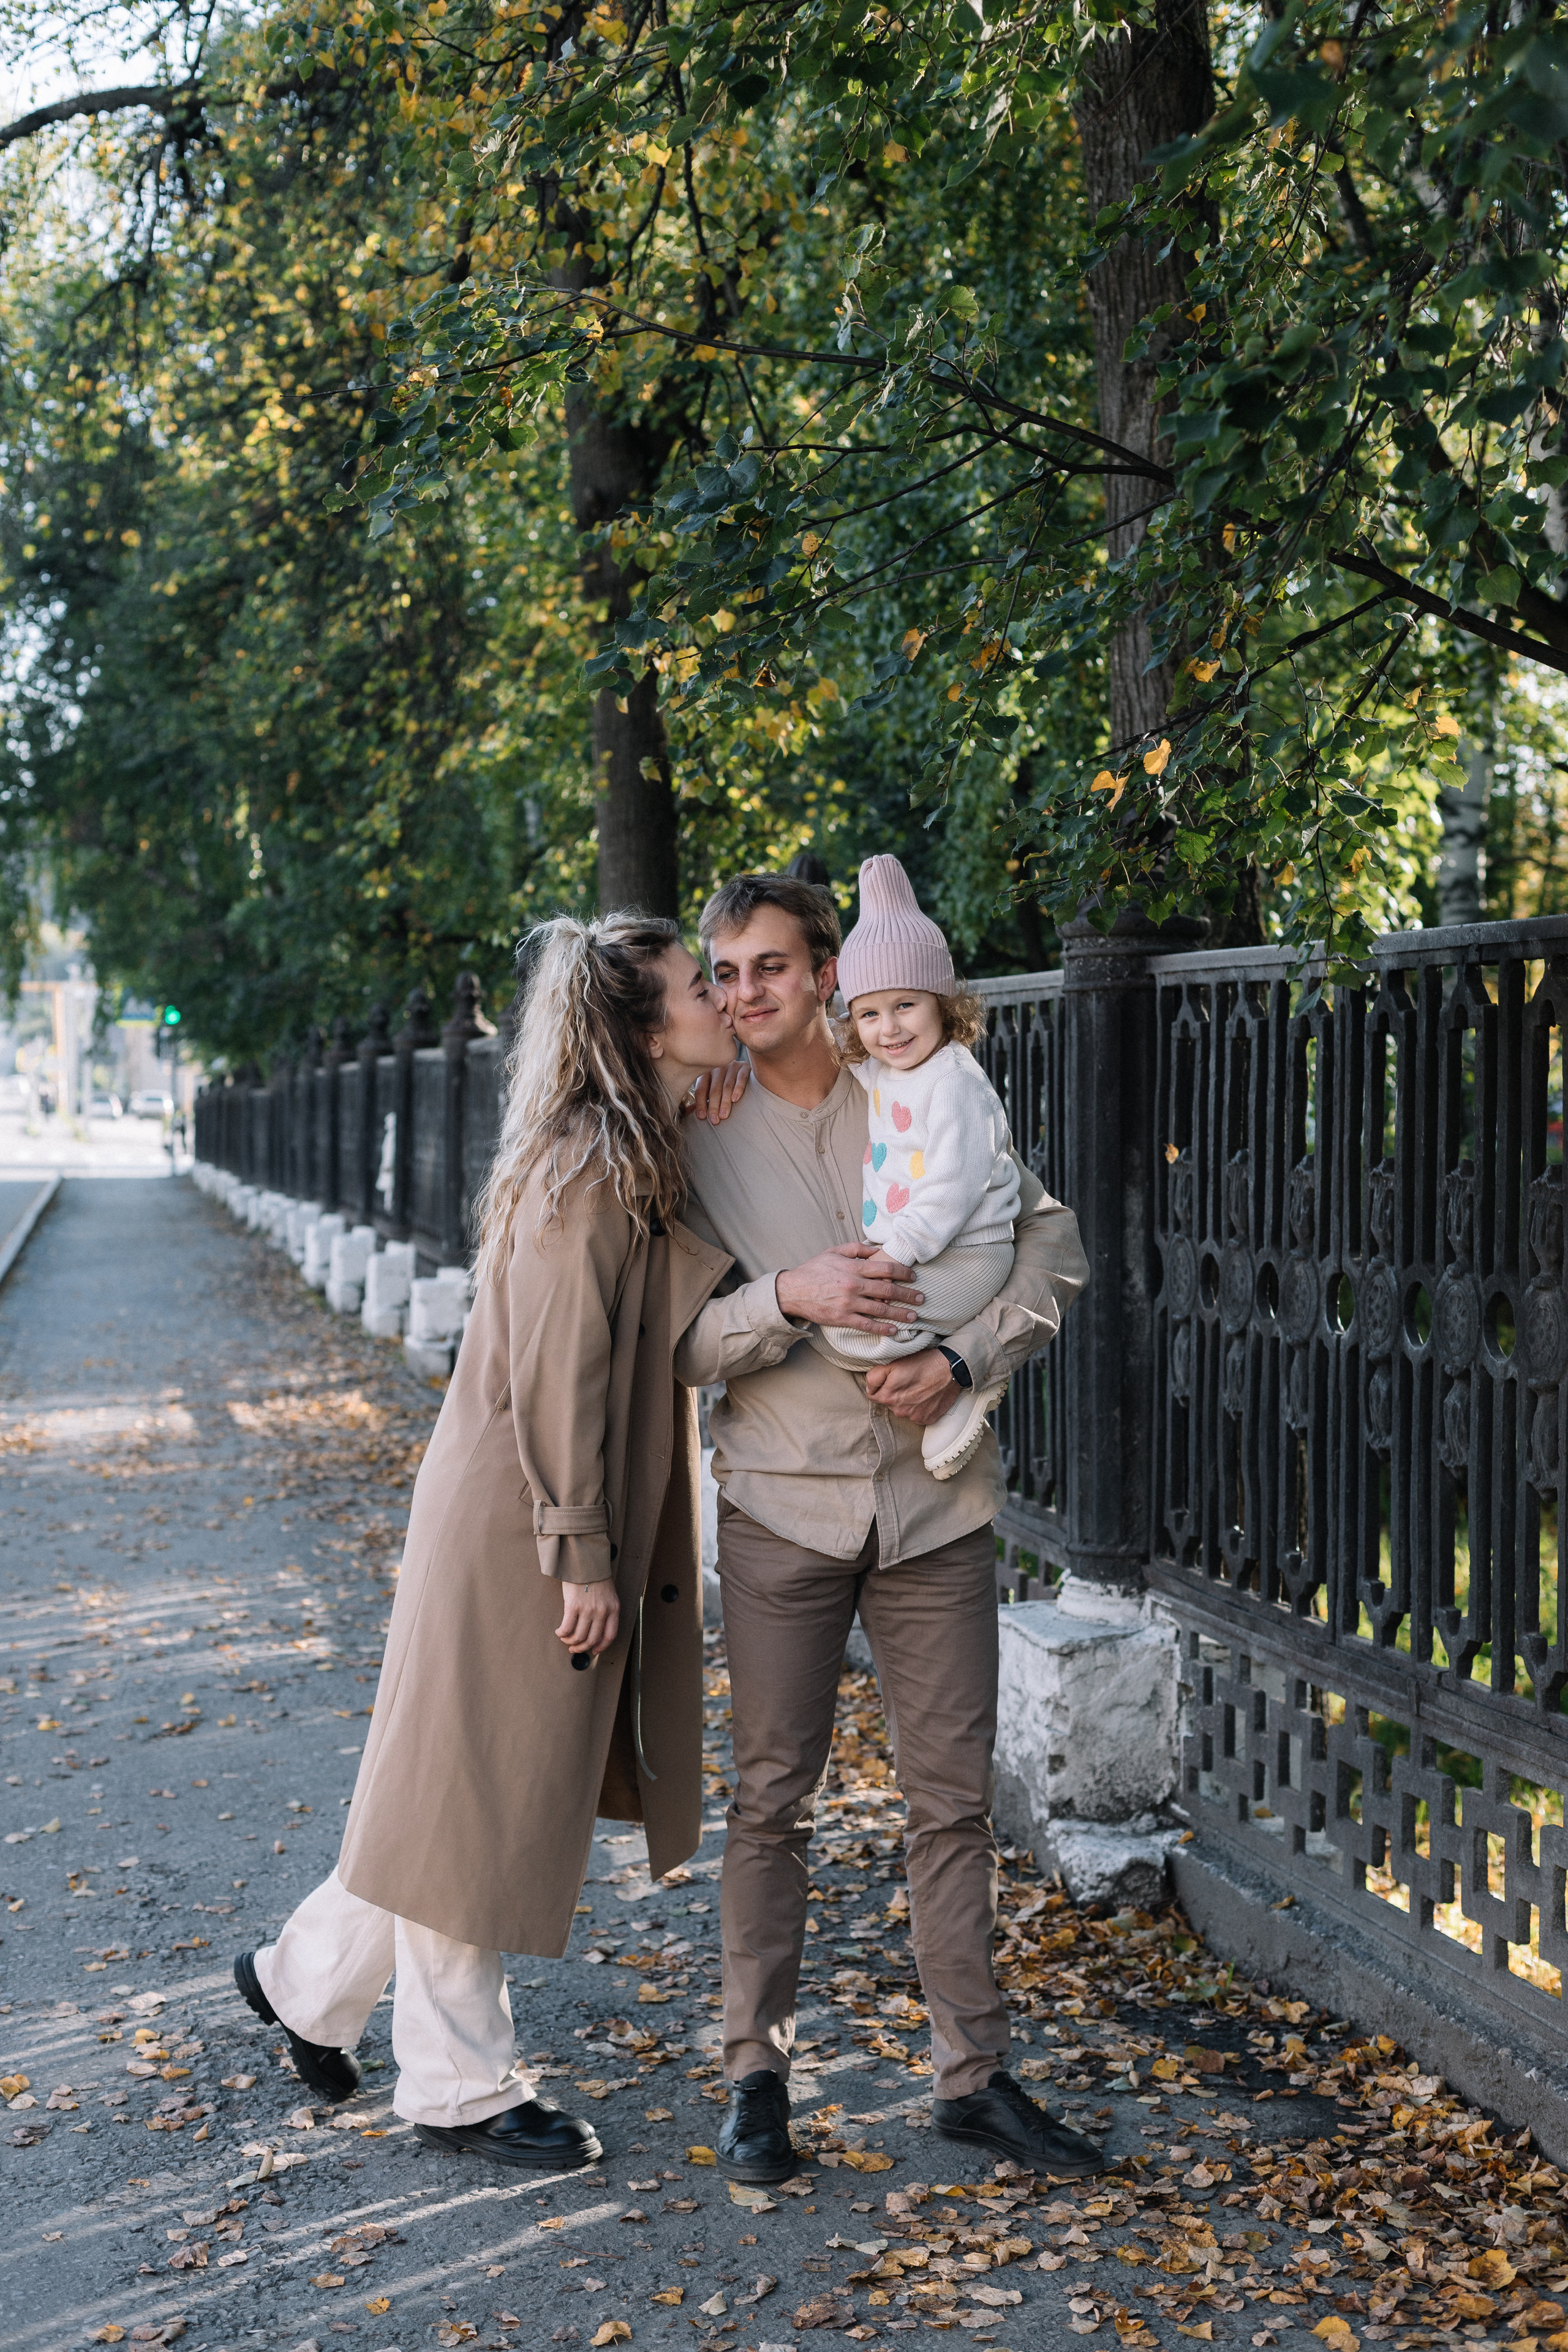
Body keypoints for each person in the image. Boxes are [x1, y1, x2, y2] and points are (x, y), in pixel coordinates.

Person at [232, 915, 735, 2169]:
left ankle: (305, 1980)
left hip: (518, 1502)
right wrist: (578, 1549)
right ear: (641, 1025)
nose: (721, 996)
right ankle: (456, 2088)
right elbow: (559, 1372)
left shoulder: (628, 1145)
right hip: (523, 1515)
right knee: (475, 1794)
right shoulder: (589, 1165)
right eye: (697, 986)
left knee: (450, 1783)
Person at [676, 870, 1101, 2183]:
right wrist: (785, 1299)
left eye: (770, 969)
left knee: (948, 1806)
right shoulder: (691, 1133)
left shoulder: (918, 1080)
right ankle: (756, 2079)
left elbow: (1054, 1247)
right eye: (724, 972)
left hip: (932, 1507)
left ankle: (971, 2079)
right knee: (767, 1801)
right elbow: (671, 1347)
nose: (745, 995)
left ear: (825, 978)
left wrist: (967, 1363)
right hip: (782, 1508)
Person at [819, 853, 1020, 1480]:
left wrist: (895, 1253)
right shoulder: (885, 1067)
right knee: (849, 1328)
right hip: (926, 1250)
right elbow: (823, 1042)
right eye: (869, 1013)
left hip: (970, 1250)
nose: (888, 1029)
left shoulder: (954, 1081)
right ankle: (950, 1368)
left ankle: (965, 1381)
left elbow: (952, 1189)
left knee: (855, 1334)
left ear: (940, 999)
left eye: (905, 1005)